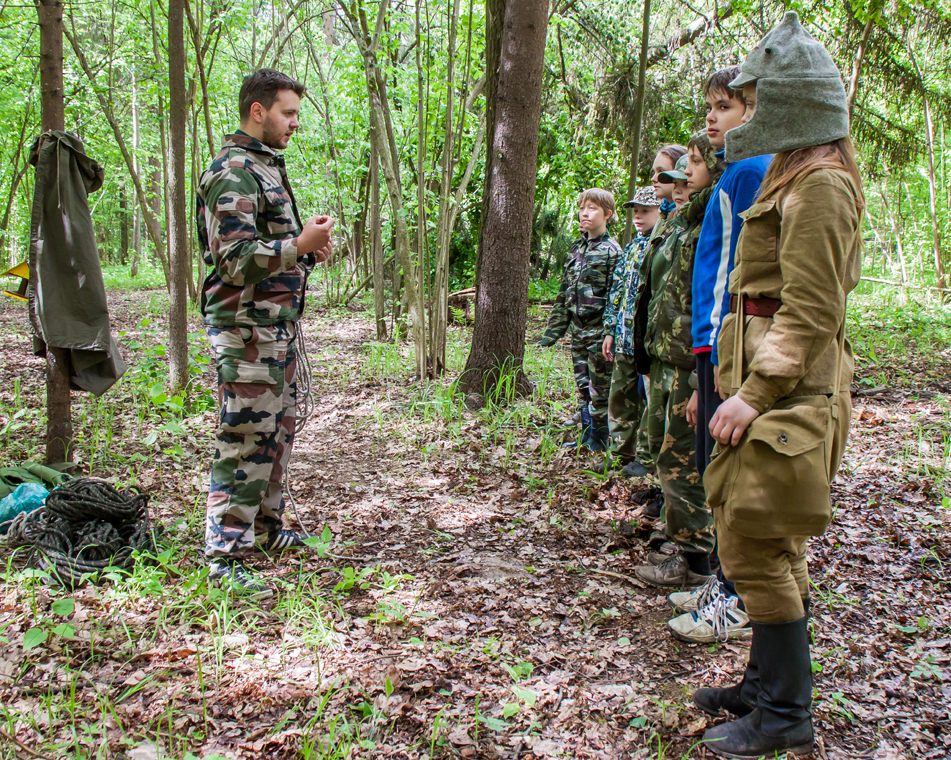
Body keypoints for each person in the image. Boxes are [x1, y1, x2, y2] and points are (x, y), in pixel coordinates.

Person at [694, 13, 863, 758]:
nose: (749, 114)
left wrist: (752, 393)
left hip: (789, 393)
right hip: (770, 382)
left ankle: (785, 714)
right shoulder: (795, 170)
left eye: (761, 101)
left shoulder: (821, 183)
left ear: (795, 103)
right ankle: (764, 686)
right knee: (762, 540)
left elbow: (813, 309)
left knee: (757, 546)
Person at [197, 69, 335, 598]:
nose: (294, 124)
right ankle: (224, 553)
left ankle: (266, 529)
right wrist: (296, 245)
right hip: (244, 328)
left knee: (279, 429)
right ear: (258, 111)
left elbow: (273, 252)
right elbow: (233, 261)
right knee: (245, 435)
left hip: (275, 327)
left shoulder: (266, 169)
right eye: (288, 113)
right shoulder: (233, 171)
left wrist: (307, 253)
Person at [670, 66, 774, 638]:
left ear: (755, 112)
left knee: (730, 470)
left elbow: (743, 270)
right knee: (714, 466)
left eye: (726, 108)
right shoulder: (733, 174)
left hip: (730, 343)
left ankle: (737, 595)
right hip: (713, 341)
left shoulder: (752, 172)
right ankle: (727, 580)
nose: (712, 118)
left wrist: (714, 348)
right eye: (709, 107)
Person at [631, 131, 723, 590]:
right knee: (671, 460)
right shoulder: (684, 220)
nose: (681, 178)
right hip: (668, 357)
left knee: (685, 462)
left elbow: (710, 299)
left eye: (691, 166)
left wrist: (698, 377)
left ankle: (700, 567)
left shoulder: (714, 218)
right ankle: (686, 557)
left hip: (694, 362)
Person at [539, 189, 622, 451]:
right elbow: (565, 291)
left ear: (607, 214)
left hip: (599, 333)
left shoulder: (612, 251)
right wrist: (554, 331)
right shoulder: (576, 248)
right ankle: (587, 434)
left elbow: (615, 296)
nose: (585, 213)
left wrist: (610, 331)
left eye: (593, 208)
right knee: (582, 385)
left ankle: (600, 439)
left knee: (600, 388)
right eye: (582, 207)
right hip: (578, 330)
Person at [602, 184, 662, 477]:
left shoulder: (661, 244)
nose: (638, 216)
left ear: (660, 210)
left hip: (648, 342)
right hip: (624, 338)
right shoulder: (632, 246)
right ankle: (620, 452)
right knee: (621, 397)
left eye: (645, 211)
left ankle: (648, 458)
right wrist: (610, 330)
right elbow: (617, 291)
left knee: (651, 400)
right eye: (635, 211)